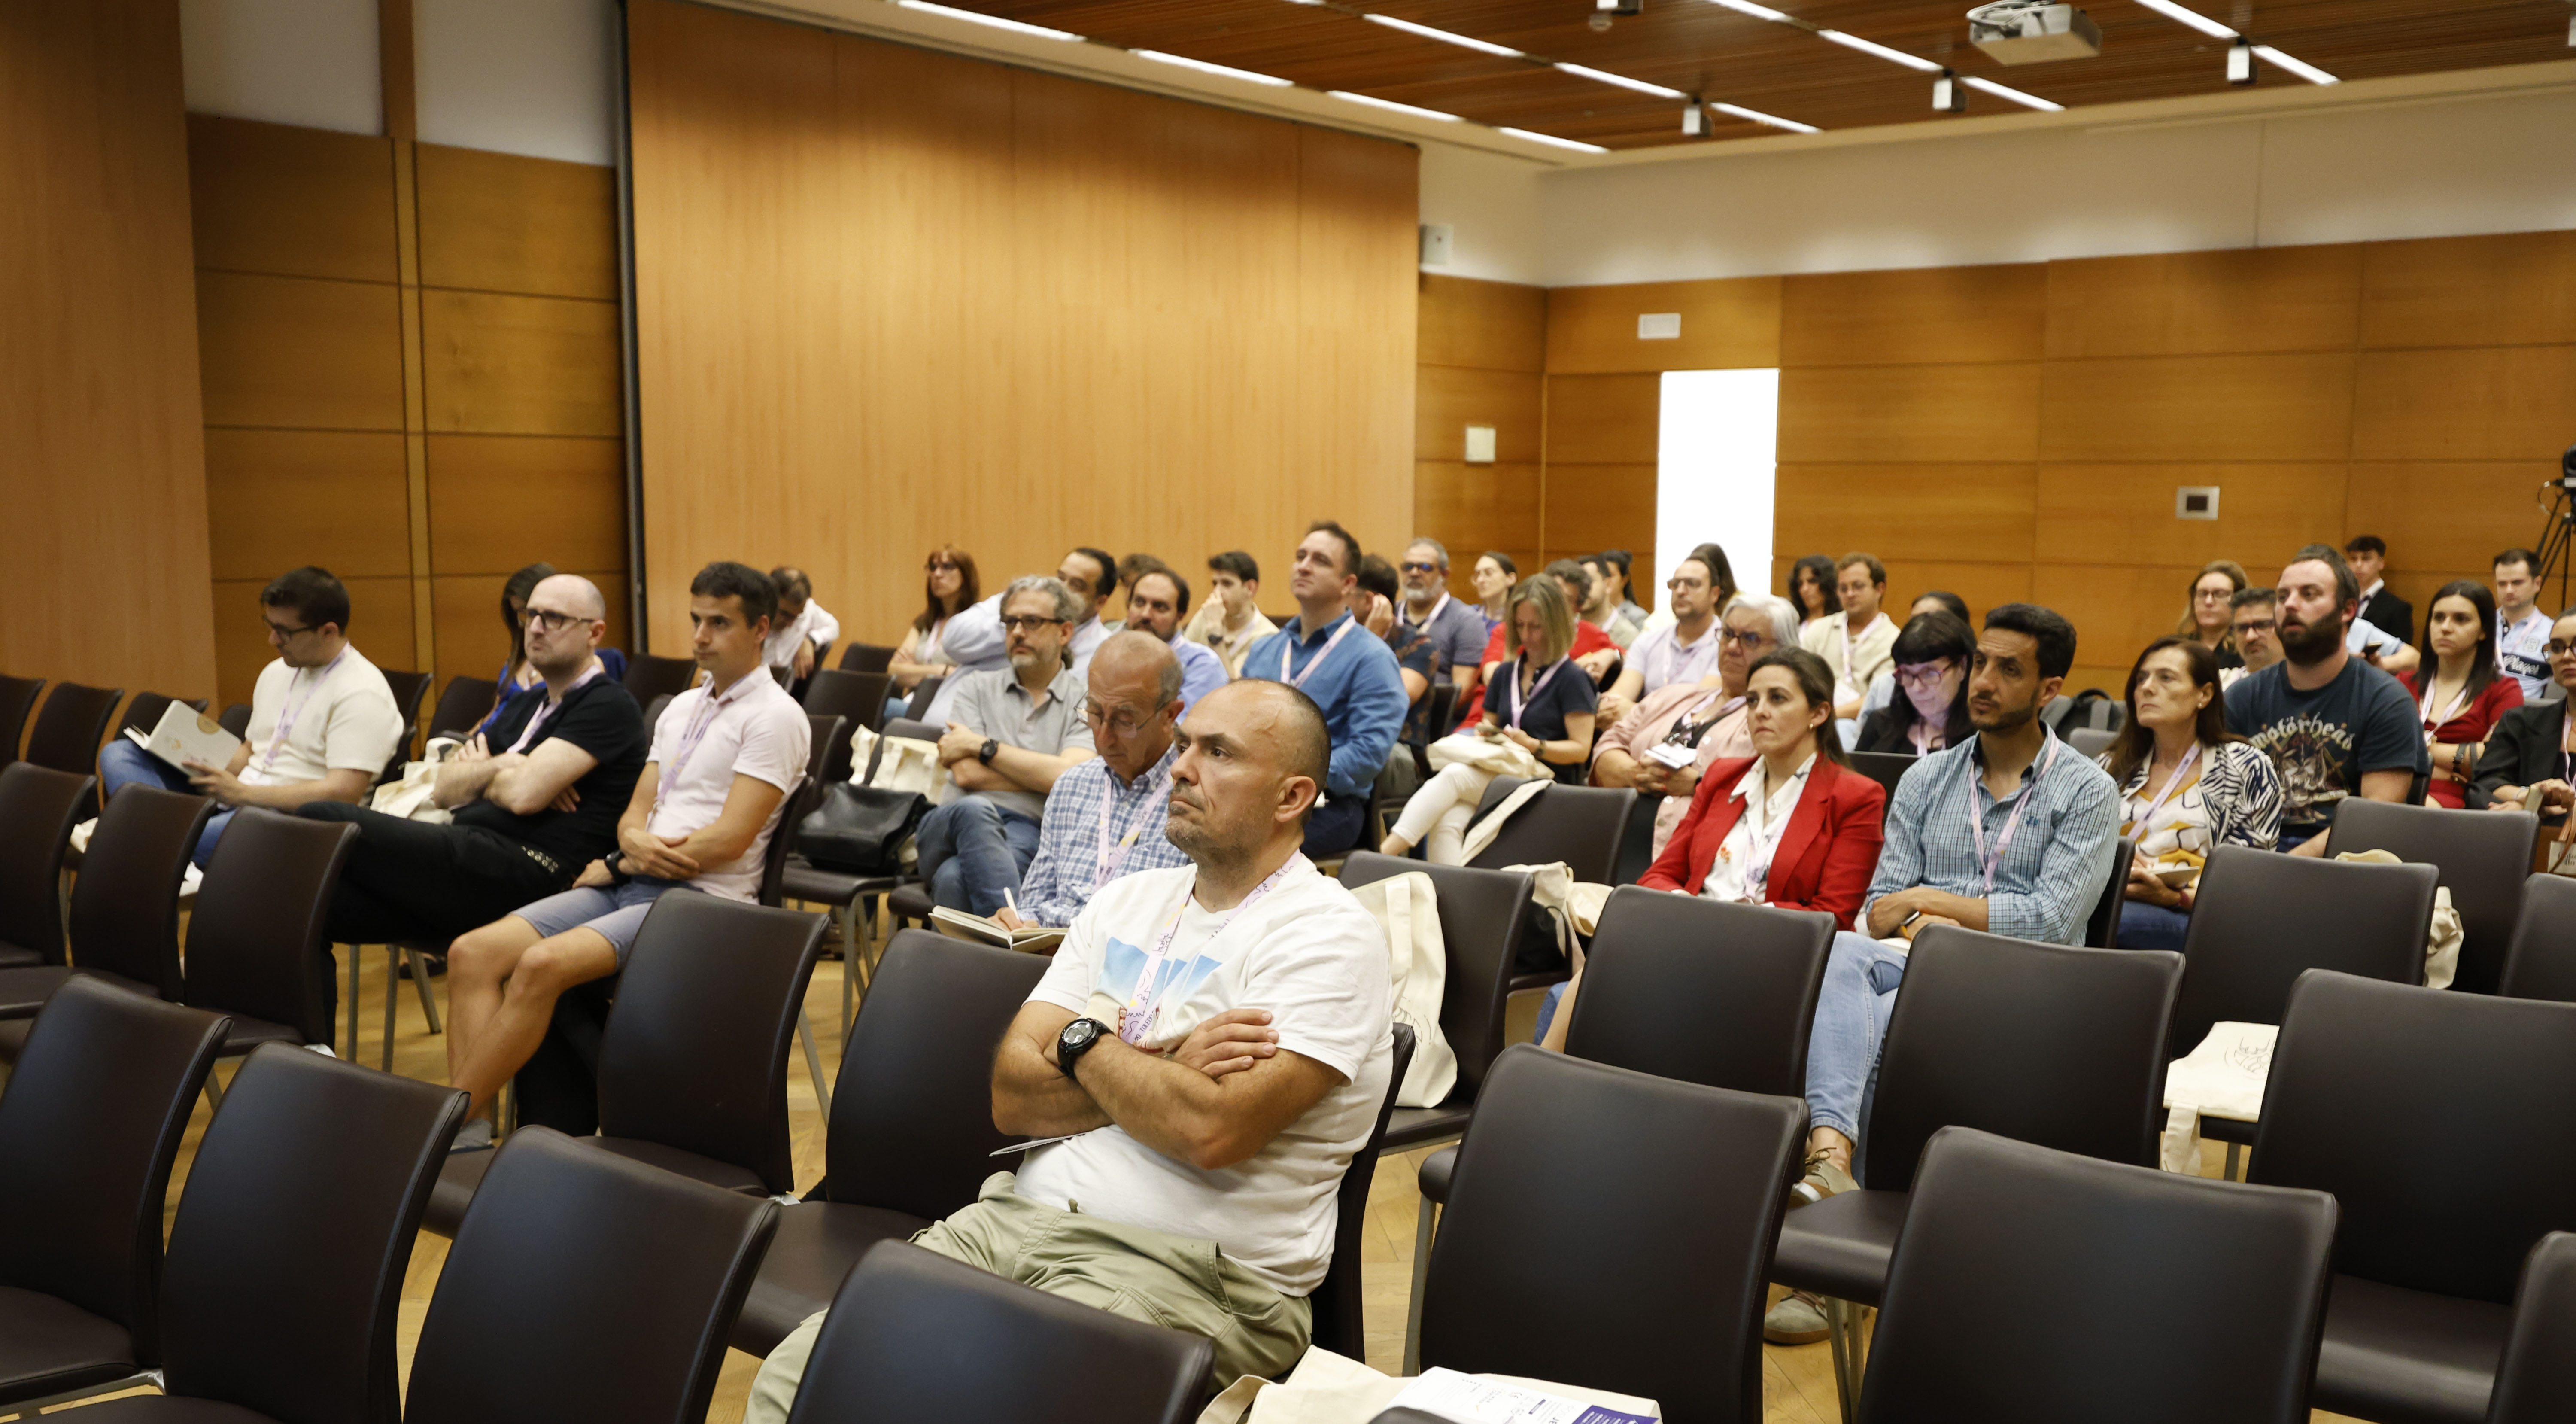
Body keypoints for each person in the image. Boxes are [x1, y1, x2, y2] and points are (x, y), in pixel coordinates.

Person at [747, 679, 1396, 1418]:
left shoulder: (1327, 936)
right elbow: (1012, 1096)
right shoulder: (1128, 902)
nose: (1182, 768)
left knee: (976, 1403)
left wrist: (1082, 1040)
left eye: (1219, 753)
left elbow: (1211, 1130)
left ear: (1292, 797)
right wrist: (1161, 1069)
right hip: (1008, 1224)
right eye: (1186, 745)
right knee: (801, 1378)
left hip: (1187, 1277)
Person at [1768, 602, 2119, 1342]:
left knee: (1872, 1033)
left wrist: (1930, 903)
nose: (1983, 682)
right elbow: (1877, 910)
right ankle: (1832, 1162)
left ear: (2049, 688)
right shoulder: (1928, 779)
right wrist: (1921, 920)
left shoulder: (2087, 790)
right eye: (1981, 663)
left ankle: (1831, 1273)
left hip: (2033, 985)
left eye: (2008, 669)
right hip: (1918, 969)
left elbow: (2050, 921)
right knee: (1839, 954)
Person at [440, 561, 809, 1149]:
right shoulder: (681, 707)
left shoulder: (777, 717)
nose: (700, 637)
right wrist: (629, 846)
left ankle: (445, 1128)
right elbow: (634, 815)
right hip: (636, 883)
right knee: (471, 954)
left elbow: (729, 841)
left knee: (540, 965)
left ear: (761, 629)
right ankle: (470, 1135)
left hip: (703, 904)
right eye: (696, 620)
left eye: (719, 623)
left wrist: (622, 860)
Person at [301, 574, 648, 951]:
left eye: (554, 618)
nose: (535, 628)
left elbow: (524, 796)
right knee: (311, 908)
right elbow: (444, 788)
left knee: (320, 814)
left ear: (594, 633)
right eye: (530, 615)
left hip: (531, 868)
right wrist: (506, 765)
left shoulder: (608, 704)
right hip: (467, 859)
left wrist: (490, 775)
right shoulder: (526, 703)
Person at [98, 566, 402, 869]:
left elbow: (343, 794)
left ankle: (154, 841)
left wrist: (244, 794)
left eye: (285, 632)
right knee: (120, 754)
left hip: (294, 822)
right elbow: (251, 752)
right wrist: (185, 753)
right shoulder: (276, 672)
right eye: (270, 625)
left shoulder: (362, 692)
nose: (273, 639)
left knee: (176, 839)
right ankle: (162, 842)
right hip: (236, 800)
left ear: (328, 631)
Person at [1378, 576, 1599, 863]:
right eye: (1520, 625)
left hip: (1546, 779)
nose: (1527, 635)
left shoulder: (1573, 679)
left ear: (1555, 625)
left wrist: (1534, 745)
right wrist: (1488, 733)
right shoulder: (1506, 674)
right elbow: (1487, 725)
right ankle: (1449, 889)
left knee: (1454, 777)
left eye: (1536, 627)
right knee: (1447, 822)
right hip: (1502, 769)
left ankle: (1383, 856)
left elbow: (1580, 749)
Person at [2224, 545, 2428, 854]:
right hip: (2250, 852)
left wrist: (2285, 865)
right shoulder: (2241, 696)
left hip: (2342, 860)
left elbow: (2375, 820)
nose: (2290, 604)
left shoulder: (2386, 700)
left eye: (2309, 594)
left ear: (2348, 610)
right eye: (2283, 596)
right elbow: (2217, 799)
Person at [917, 576, 1100, 915]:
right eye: (1011, 622)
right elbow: (967, 774)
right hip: (949, 825)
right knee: (975, 810)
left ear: (1064, 632)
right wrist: (1041, 775)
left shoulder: (1085, 701)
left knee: (953, 879)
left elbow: (1071, 777)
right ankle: (1013, 940)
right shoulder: (976, 687)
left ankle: (972, 948)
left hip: (1026, 831)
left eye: (1032, 622)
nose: (1017, 632)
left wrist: (983, 747)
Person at [990, 632, 1193, 931]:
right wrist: (1016, 924)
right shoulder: (1072, 786)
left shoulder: (1195, 797)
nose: (1103, 737)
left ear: (1170, 715)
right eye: (1095, 713)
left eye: (1124, 721)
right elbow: (1034, 903)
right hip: (1046, 952)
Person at [2096, 638, 2284, 951]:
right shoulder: (2111, 765)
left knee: (2111, 923)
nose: (2147, 688)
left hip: (2190, 912)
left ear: (2205, 695)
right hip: (2105, 894)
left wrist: (2172, 897)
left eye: (2166, 678)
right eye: (2141, 679)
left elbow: (2248, 881)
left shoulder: (2245, 767)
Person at [1242, 523, 1409, 859]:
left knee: (1237, 848)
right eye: (1301, 556)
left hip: (1327, 806)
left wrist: (1287, 780)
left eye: (1320, 560)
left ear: (1348, 584)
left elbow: (1367, 754)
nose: (1304, 566)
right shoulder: (1265, 650)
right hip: (1251, 794)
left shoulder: (1372, 657)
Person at [1590, 594, 1800, 859]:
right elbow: (1607, 746)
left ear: (1783, 650)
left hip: (1703, 861)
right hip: (1615, 844)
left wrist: (1698, 785)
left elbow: (1776, 787)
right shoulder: (1670, 697)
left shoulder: (1775, 720)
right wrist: (1636, 774)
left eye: (1750, 639)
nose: (1732, 647)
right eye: (1728, 634)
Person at [921, 547, 1120, 723]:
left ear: (1100, 602)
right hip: (941, 723)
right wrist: (1017, 621)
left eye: (1076, 585)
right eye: (1060, 578)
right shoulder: (1019, 599)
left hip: (1012, 742)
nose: (1062, 589)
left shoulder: (1104, 651)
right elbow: (952, 641)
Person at [2401, 581, 2524, 809]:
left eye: (2461, 619)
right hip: (2396, 786)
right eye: (2439, 618)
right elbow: (2374, 745)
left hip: (2461, 798)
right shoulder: (2402, 683)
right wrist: (2455, 761)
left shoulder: (2504, 690)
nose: (2446, 627)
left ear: (2484, 630)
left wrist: (2419, 749)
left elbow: (2495, 757)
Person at [1597, 544, 1727, 730]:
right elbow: (1613, 704)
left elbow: (1697, 711)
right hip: (1637, 736)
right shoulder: (1649, 641)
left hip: (1691, 740)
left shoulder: (1727, 645)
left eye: (1692, 584)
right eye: (1675, 584)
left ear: (1715, 594)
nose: (1681, 591)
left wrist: (1634, 711)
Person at [2473, 607, 2576, 829]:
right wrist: (2531, 800)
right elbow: (2485, 783)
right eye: (2557, 648)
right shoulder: (2520, 722)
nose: (2567, 656)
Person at [1800, 552, 1897, 738]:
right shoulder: (1818, 630)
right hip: (1813, 719)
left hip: (1862, 727)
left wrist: (1830, 715)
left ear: (1880, 589)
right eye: (1843, 589)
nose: (1850, 594)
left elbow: (1879, 699)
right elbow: (1798, 681)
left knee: (1843, 729)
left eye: (1858, 587)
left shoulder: (1893, 640)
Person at [1854, 610, 1976, 756]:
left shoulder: (1984, 736)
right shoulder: (1881, 726)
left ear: (1962, 667)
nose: (1917, 688)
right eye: (1907, 673)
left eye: (1930, 673)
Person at [1118, 566, 1228, 714]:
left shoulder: (1201, 664)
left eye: (1159, 607)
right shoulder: (1111, 655)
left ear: (1180, 615)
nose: (1145, 615)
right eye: (1139, 602)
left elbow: (1179, 727)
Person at [1397, 538, 1491, 709]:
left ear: (1444, 574)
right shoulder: (1388, 614)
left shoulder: (1466, 621)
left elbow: (1462, 692)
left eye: (1425, 567)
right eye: (1408, 567)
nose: (1415, 573)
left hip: (1435, 719)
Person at [890, 546, 977, 694]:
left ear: (965, 575)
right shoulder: (925, 622)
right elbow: (894, 671)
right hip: (916, 699)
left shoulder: (976, 623)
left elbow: (968, 678)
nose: (937, 574)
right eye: (933, 568)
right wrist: (941, 671)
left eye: (947, 567)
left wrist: (914, 669)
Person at [1181, 551, 1277, 679]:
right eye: (1215, 584)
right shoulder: (1206, 614)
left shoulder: (1267, 637)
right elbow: (1180, 664)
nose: (1217, 591)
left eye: (1227, 584)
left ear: (1250, 588)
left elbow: (1233, 686)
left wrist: (1215, 636)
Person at [763, 566, 840, 694]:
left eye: (796, 617)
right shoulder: (746, 621)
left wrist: (810, 640)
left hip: (783, 697)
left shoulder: (807, 610)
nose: (791, 624)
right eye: (785, 614)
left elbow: (833, 627)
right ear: (768, 599)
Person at [2495, 548, 2555, 701]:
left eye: (2517, 583)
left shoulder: (2553, 633)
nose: (2509, 590)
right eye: (2502, 584)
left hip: (2527, 712)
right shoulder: (2479, 626)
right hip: (2478, 711)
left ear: (2537, 584)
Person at [2176, 560, 2248, 669]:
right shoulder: (2176, 649)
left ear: (2239, 601)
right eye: (2203, 594)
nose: (2209, 602)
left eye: (2220, 594)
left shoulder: (2248, 650)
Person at [2347, 536, 2413, 647]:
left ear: (2381, 563)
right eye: (2354, 559)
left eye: (2366, 559)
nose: (2359, 565)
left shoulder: (2398, 609)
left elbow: (2404, 653)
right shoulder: (2340, 602)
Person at [1579, 553, 1643, 650]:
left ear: (1608, 585)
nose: (1581, 589)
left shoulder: (1629, 637)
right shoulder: (1566, 630)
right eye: (1577, 583)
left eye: (1589, 581)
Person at [2223, 587, 2284, 688]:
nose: (2250, 637)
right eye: (2243, 628)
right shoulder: (2221, 684)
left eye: (2262, 625)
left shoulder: (2307, 683)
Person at [1597, 548, 1649, 628]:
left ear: (1624, 580)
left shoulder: (1638, 616)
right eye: (1602, 575)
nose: (1606, 580)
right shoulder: (1592, 614)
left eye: (1610, 575)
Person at [1786, 554, 1839, 626]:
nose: (1805, 589)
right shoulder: (1791, 622)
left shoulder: (1843, 622)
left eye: (1812, 582)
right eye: (1800, 584)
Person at [1469, 551, 1516, 632]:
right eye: (1478, 575)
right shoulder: (1469, 615)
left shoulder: (1519, 619)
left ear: (1510, 579)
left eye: (1488, 573)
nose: (1480, 580)